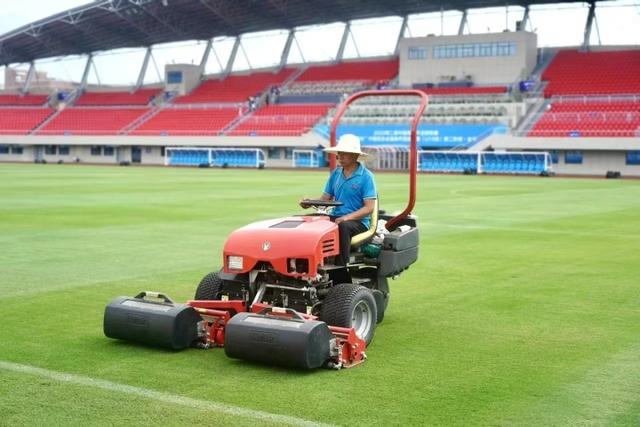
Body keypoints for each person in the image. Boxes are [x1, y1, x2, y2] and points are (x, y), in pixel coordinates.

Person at [300, 134, 377, 265]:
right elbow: (325, 199)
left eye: (344, 154)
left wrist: (347, 218)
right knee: (307, 221)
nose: (340, 157)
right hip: (337, 217)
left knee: (343, 226)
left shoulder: (366, 177)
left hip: (358, 222)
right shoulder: (335, 174)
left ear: (355, 156)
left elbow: (369, 208)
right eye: (339, 153)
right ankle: (306, 262)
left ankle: (341, 267)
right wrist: (309, 202)